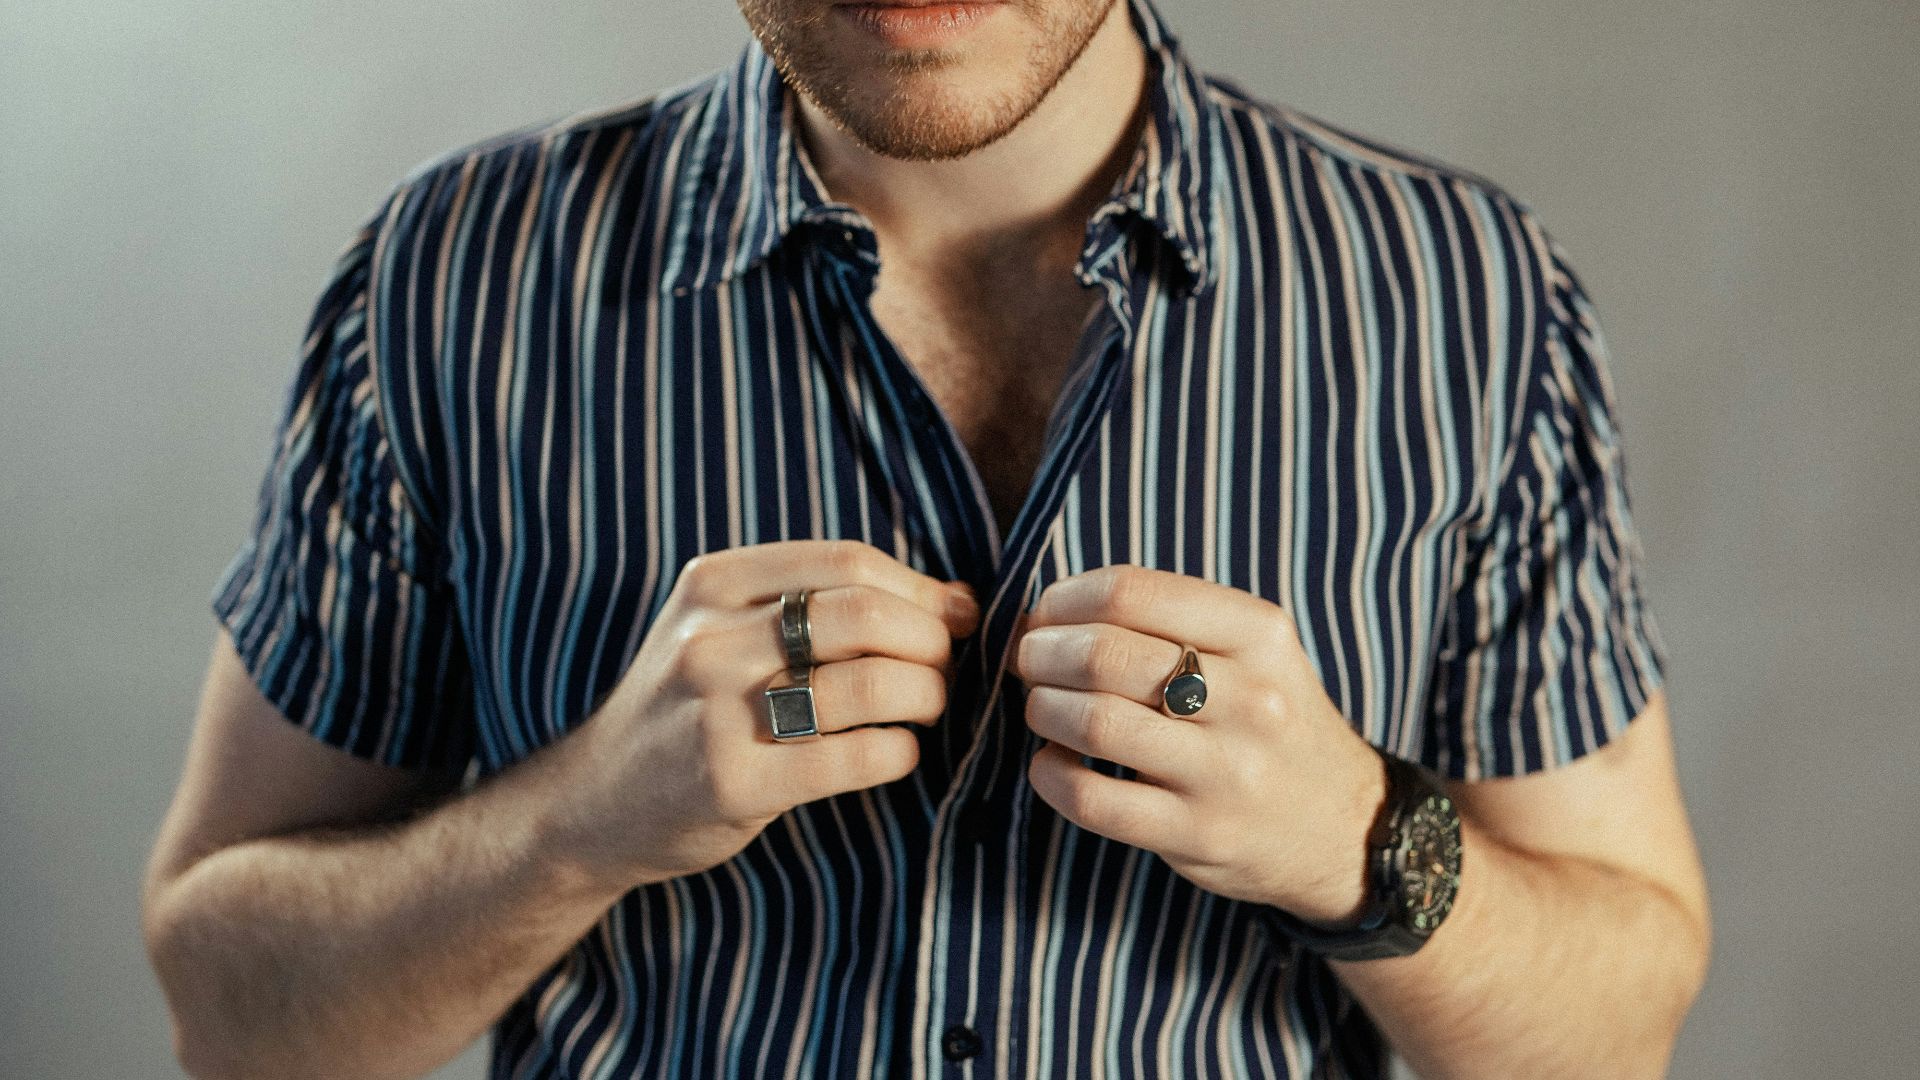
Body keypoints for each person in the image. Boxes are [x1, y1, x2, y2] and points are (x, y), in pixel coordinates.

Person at [141, 0, 1711, 1076]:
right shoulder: (454, 285)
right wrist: (573, 824)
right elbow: (230, 1009)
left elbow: (1616, 1026)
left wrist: (1359, 838)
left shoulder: (1469, 301)